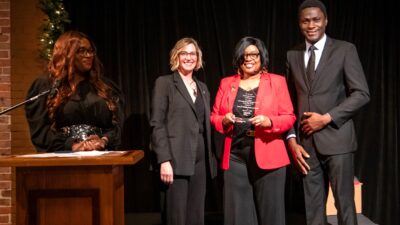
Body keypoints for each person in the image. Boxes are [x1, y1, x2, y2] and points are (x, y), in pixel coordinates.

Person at [285, 0, 370, 224]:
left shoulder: (344, 50)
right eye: (306, 21)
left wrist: (327, 118)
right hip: (306, 145)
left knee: (345, 206)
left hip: (338, 140)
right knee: (312, 211)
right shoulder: (292, 55)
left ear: (325, 21)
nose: (311, 25)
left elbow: (361, 94)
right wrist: (292, 138)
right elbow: (289, 103)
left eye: (316, 19)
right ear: (299, 24)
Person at [211, 36, 296, 225]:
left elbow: (289, 116)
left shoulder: (277, 81)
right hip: (235, 156)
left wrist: (270, 122)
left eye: (254, 54)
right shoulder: (227, 83)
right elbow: (214, 116)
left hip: (269, 152)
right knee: (237, 215)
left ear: (261, 56)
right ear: (238, 59)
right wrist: (224, 120)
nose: (249, 59)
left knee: (271, 215)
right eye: (244, 55)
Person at [150, 37, 217, 225]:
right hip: (175, 159)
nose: (189, 57)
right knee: (176, 217)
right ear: (176, 56)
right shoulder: (165, 83)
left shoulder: (202, 88)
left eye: (192, 53)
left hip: (200, 160)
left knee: (196, 216)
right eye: (184, 53)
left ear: (198, 57)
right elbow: (157, 123)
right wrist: (164, 159)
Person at [25, 31, 124, 152]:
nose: (89, 55)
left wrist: (103, 140)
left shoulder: (104, 86)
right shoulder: (46, 86)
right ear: (66, 54)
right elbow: (40, 132)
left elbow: (117, 126)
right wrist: (72, 145)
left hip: (102, 155)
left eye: (90, 51)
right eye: (82, 51)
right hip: (62, 157)